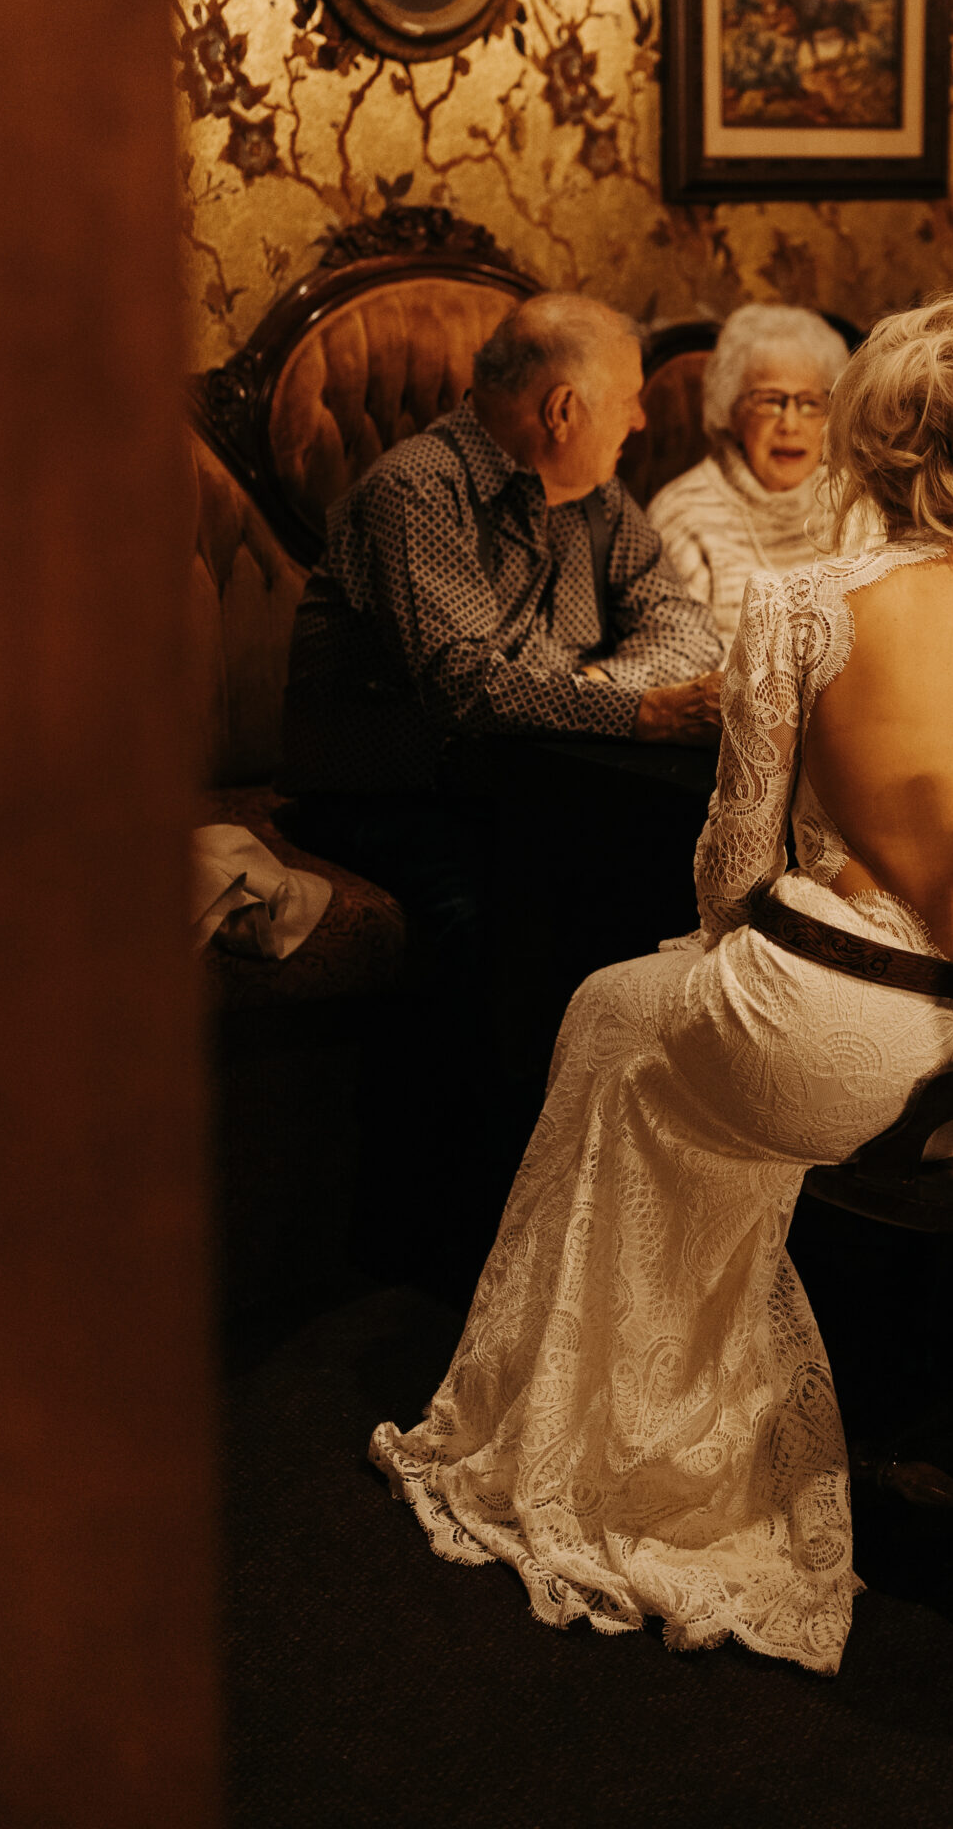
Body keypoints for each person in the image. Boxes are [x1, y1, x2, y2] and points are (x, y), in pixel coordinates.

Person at [369, 295, 953, 1674]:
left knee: (609, 1010)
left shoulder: (803, 603)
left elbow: (729, 860)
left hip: (852, 1037)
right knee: (636, 1018)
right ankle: (668, 1399)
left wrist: (782, 916)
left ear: (870, 442)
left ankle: (611, 1437)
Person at [280, 293, 727, 1243]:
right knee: (496, 925)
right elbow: (468, 691)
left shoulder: (595, 498)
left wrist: (589, 679)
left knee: (657, 890)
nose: (642, 420)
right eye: (629, 400)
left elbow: (681, 625)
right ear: (563, 410)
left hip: (527, 784)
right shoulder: (418, 492)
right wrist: (637, 707)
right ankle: (452, 1223)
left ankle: (609, 1209)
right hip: (392, 795)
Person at [647, 303, 850, 653]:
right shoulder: (683, 514)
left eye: (809, 403)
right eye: (770, 401)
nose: (789, 424)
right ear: (733, 412)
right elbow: (678, 660)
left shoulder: (854, 502)